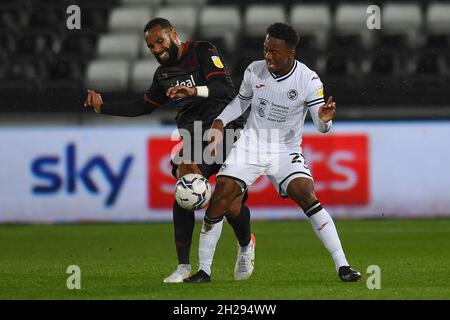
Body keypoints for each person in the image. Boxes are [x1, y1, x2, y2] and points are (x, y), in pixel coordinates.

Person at [185, 22, 361, 283]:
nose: (268, 56)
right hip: (251, 144)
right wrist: (221, 120)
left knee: (306, 193)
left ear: (291, 54)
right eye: (266, 49)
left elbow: (322, 125)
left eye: (274, 52)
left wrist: (324, 120)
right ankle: (204, 270)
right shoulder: (254, 71)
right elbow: (242, 102)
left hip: (285, 148)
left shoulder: (309, 80)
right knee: (220, 196)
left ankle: (343, 265)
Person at [84, 18, 254, 283]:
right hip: (193, 134)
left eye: (159, 41)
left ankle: (246, 245)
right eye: (150, 46)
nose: (155, 49)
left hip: (226, 127)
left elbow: (222, 87)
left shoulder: (202, 51)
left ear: (173, 34)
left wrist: (193, 90)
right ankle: (184, 266)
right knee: (185, 186)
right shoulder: (162, 75)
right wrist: (103, 107)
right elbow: (144, 106)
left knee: (231, 206)